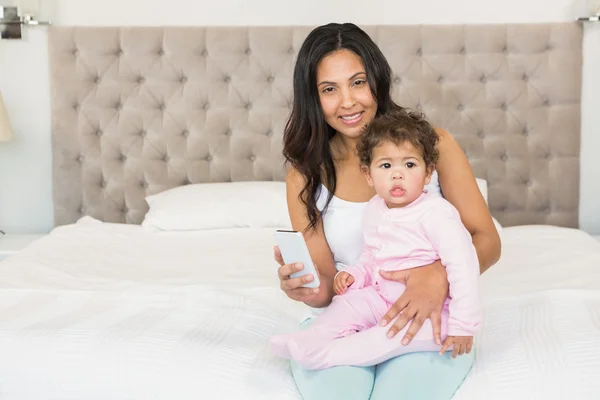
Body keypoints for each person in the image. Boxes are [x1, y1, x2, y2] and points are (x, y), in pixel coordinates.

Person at [275, 22, 501, 400]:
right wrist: (305, 289)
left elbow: (488, 240)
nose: (348, 102)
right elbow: (328, 285)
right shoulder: (304, 174)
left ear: (378, 80)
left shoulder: (433, 145)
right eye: (329, 89)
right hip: (353, 314)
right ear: (313, 98)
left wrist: (437, 275)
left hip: (428, 316)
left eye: (358, 82)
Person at [271, 108, 482, 371]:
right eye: (385, 165)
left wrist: (463, 325)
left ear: (428, 173)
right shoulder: (375, 209)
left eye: (409, 164)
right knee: (346, 305)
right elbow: (373, 256)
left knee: (387, 336)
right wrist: (356, 275)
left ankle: (328, 355)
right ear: (368, 175)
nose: (397, 174)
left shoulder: (437, 214)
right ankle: (310, 339)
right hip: (381, 296)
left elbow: (464, 265)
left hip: (430, 311)